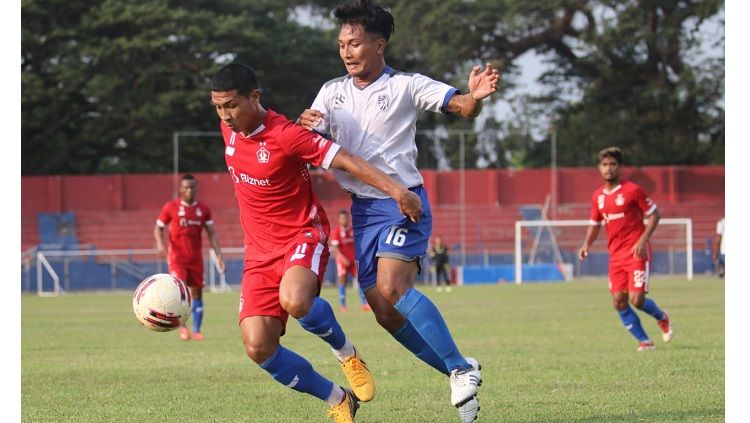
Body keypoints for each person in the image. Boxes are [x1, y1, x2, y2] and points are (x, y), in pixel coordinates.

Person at [297, 1, 499, 421]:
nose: (347, 52)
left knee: (392, 288)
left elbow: (461, 106)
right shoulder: (331, 92)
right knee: (385, 313)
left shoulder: (406, 85)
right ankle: (459, 367)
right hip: (363, 212)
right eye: (341, 45)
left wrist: (475, 98)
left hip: (402, 203)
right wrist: (305, 124)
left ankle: (460, 368)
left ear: (379, 44)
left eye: (355, 43)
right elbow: (312, 142)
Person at [210, 63, 422, 423]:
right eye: (217, 107)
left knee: (295, 300)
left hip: (301, 234)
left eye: (231, 105)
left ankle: (346, 353)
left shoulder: (288, 135)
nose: (225, 115)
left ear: (255, 97)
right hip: (258, 253)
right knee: (258, 347)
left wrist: (397, 190)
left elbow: (348, 161)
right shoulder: (228, 130)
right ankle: (338, 397)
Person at [578, 147, 674, 352]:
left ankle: (662, 317)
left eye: (613, 164)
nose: (608, 168)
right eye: (605, 165)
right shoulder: (598, 197)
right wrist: (586, 244)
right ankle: (645, 341)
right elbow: (594, 224)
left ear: (620, 167)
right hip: (616, 256)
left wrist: (642, 240)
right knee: (619, 302)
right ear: (599, 168)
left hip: (636, 252)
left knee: (636, 300)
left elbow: (654, 215)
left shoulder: (633, 190)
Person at [154, 174, 226, 341]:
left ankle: (197, 330)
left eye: (192, 187)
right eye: (185, 187)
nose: (189, 190)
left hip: (196, 259)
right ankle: (183, 328)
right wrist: (159, 244)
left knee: (197, 293)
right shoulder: (170, 207)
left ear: (196, 188)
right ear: (180, 189)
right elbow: (158, 228)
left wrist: (219, 256)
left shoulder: (203, 210)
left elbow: (212, 234)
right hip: (177, 257)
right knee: (180, 293)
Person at [330, 209, 371, 312]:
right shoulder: (336, 232)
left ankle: (364, 304)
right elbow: (335, 249)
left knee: (360, 281)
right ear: (339, 219)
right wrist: (343, 259)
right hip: (342, 262)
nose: (344, 220)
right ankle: (343, 305)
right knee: (342, 282)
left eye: (346, 217)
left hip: (353, 261)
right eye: (342, 218)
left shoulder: (352, 230)